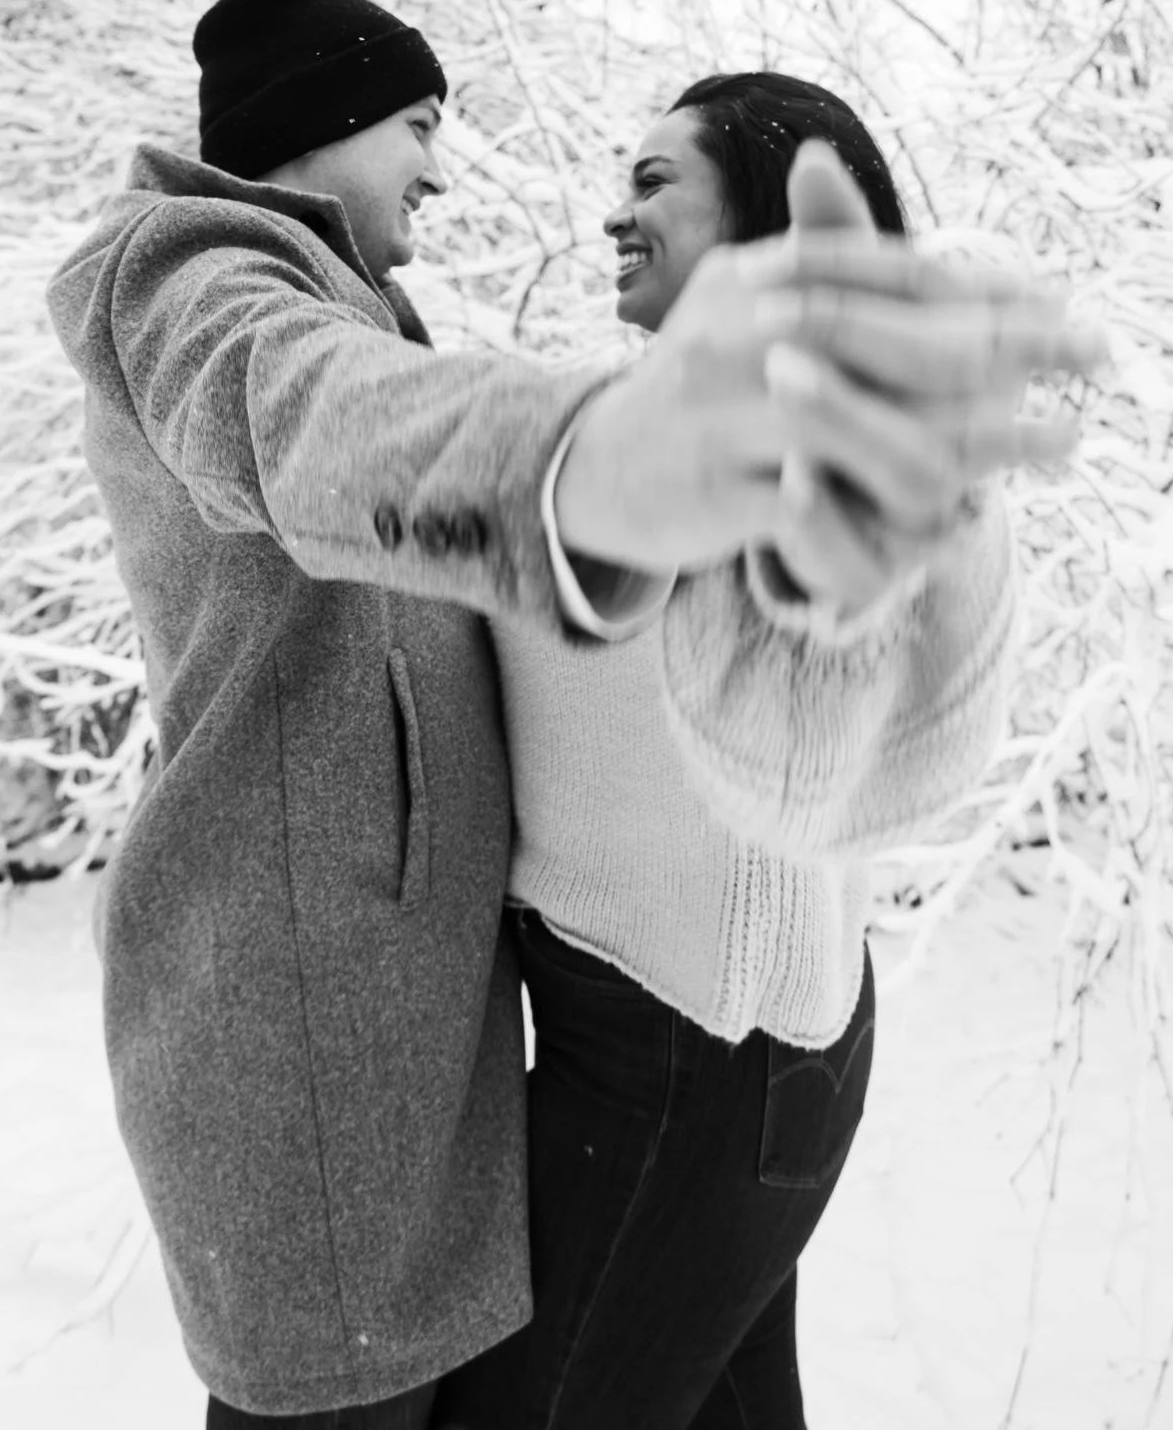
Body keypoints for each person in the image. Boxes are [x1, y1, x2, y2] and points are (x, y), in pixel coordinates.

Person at [45, 0, 1102, 1429]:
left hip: (699, 1058)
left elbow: (901, 714)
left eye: (652, 177)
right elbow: (304, 415)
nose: (446, 157)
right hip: (569, 1054)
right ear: (320, 120)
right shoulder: (236, 298)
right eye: (417, 118)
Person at [432, 73, 1050, 1430]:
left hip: (701, 1057)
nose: (613, 213)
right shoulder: (639, 416)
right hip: (668, 1050)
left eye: (655, 181)